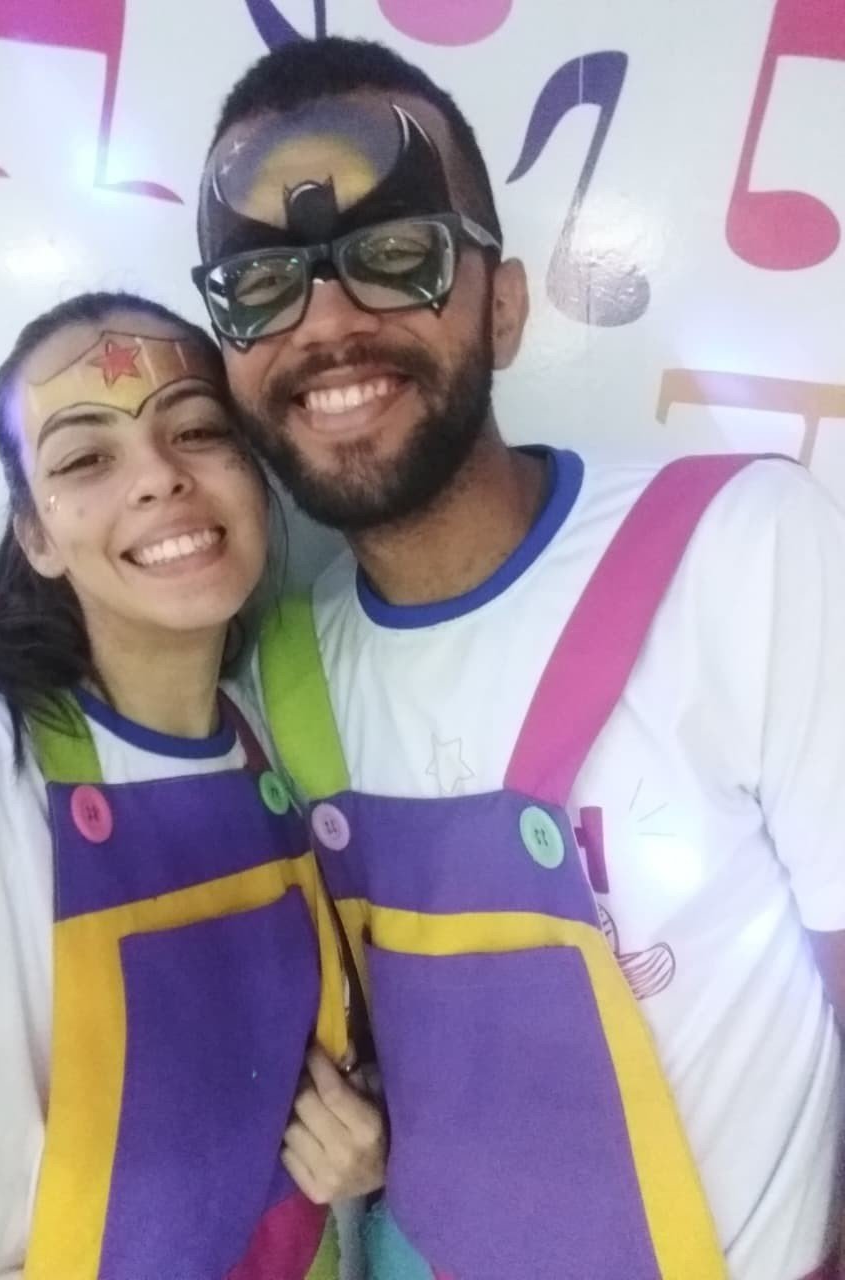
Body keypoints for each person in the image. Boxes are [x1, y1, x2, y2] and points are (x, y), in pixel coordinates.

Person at [192, 37, 845, 1280]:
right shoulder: (274, 675)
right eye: (263, 284)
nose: (328, 323)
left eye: (396, 253)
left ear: (504, 303)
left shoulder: (744, 547)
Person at [0, 291, 384, 1280]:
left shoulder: (287, 741)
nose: (159, 477)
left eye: (196, 430)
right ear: (35, 535)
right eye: (85, 459)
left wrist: (361, 1154)